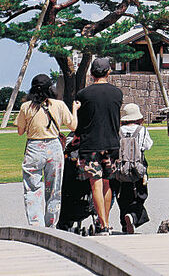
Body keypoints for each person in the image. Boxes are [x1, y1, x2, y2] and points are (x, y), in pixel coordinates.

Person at [15, 74, 79, 226]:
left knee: (31, 188)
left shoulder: (26, 107)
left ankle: (36, 223)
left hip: (34, 148)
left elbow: (20, 131)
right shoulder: (58, 105)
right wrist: (75, 109)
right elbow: (74, 126)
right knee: (54, 189)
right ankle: (51, 224)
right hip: (53, 148)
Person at [76, 57, 123, 234]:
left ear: (91, 73)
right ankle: (106, 221)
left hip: (90, 144)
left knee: (95, 183)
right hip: (111, 143)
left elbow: (81, 123)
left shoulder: (83, 95)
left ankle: (102, 225)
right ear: (108, 72)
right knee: (107, 183)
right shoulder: (117, 93)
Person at [113, 102, 153, 234]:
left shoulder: (119, 130)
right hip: (138, 167)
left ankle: (125, 224)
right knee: (140, 196)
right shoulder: (142, 130)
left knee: (122, 197)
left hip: (121, 168)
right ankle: (133, 217)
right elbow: (147, 146)